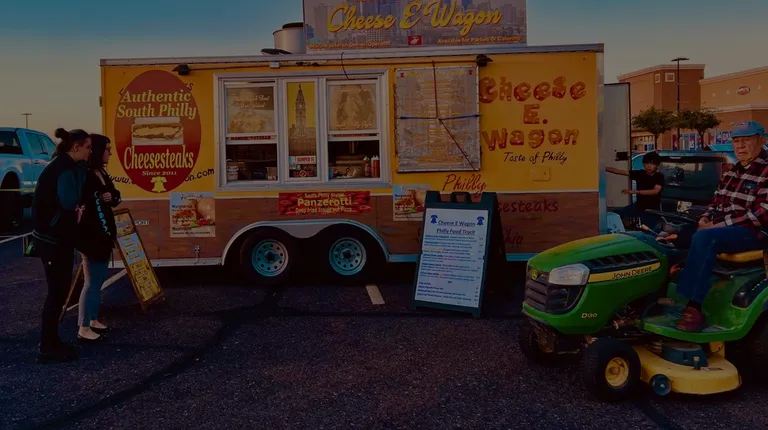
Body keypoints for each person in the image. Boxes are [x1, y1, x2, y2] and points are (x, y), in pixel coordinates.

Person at [676, 121, 768, 331]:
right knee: (678, 234)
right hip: (725, 227)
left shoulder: (765, 170)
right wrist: (705, 219)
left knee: (705, 238)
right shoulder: (730, 172)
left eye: (746, 140)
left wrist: (715, 226)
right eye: (736, 141)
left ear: (761, 140)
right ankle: (666, 291)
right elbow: (716, 202)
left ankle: (693, 306)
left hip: (754, 231)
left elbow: (763, 213)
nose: (740, 146)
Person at [31, 128, 91, 363]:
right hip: (53, 240)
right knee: (57, 293)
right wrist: (82, 173)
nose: (89, 153)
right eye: (87, 148)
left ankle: (52, 341)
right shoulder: (64, 170)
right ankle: (48, 346)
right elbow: (69, 201)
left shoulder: (61, 166)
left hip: (53, 238)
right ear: (75, 147)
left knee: (58, 292)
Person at [75, 134, 121, 343]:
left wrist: (112, 197)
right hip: (91, 238)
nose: (110, 153)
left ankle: (93, 319)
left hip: (104, 236)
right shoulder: (84, 174)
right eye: (107, 149)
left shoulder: (101, 172)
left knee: (99, 280)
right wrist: (98, 198)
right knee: (92, 283)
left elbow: (115, 194)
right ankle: (83, 327)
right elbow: (82, 202)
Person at [606, 151, 664, 229]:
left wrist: (634, 192)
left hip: (651, 210)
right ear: (643, 164)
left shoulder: (659, 176)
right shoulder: (640, 174)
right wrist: (602, 167)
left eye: (652, 164)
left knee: (649, 231)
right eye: (646, 163)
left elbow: (655, 191)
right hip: (638, 206)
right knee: (615, 214)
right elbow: (618, 171)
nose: (649, 166)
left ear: (657, 165)